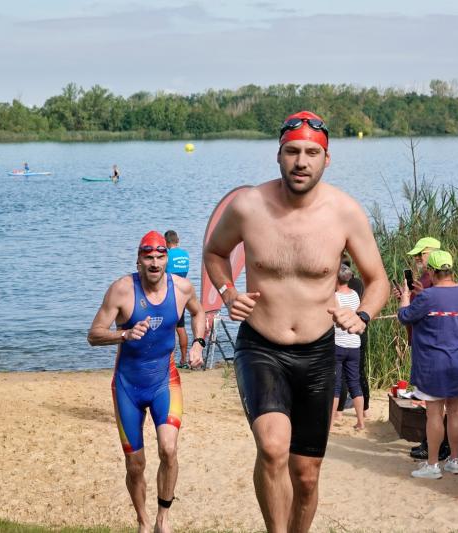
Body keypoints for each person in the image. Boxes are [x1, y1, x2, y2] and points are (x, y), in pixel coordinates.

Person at [203, 110, 389, 532]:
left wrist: (362, 314)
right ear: (278, 155)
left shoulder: (345, 212)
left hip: (318, 353)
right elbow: (215, 252)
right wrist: (228, 292)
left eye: (311, 153)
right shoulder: (248, 206)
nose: (301, 161)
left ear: (326, 159)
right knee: (272, 449)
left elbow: (378, 280)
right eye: (292, 152)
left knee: (306, 475)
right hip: (260, 345)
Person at [87, 231, 206, 533]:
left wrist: (198, 342)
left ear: (167, 259)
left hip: (165, 380)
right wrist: (124, 334)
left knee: (168, 449)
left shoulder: (182, 288)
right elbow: (94, 334)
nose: (154, 263)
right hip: (128, 386)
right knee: (135, 464)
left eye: (159, 257)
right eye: (148, 257)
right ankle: (142, 521)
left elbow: (199, 312)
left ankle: (162, 520)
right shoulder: (122, 290)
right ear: (138, 260)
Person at [396, 250, 458, 479]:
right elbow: (440, 304)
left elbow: (404, 316)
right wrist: (423, 295)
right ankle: (454, 460)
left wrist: (405, 297)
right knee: (455, 410)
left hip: (434, 363)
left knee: (434, 413)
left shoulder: (428, 296)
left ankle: (432, 465)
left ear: (431, 272)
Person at [332, 263, 364, 430]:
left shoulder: (334, 296)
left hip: (338, 344)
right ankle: (360, 421)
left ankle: (330, 423)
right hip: (354, 344)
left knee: (335, 385)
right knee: (355, 383)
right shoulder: (355, 295)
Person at [164, 230, 191, 368]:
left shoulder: (166, 255)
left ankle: (170, 360)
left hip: (169, 293)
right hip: (182, 293)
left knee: (168, 328)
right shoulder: (185, 255)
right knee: (181, 327)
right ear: (177, 240)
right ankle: (184, 360)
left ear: (166, 242)